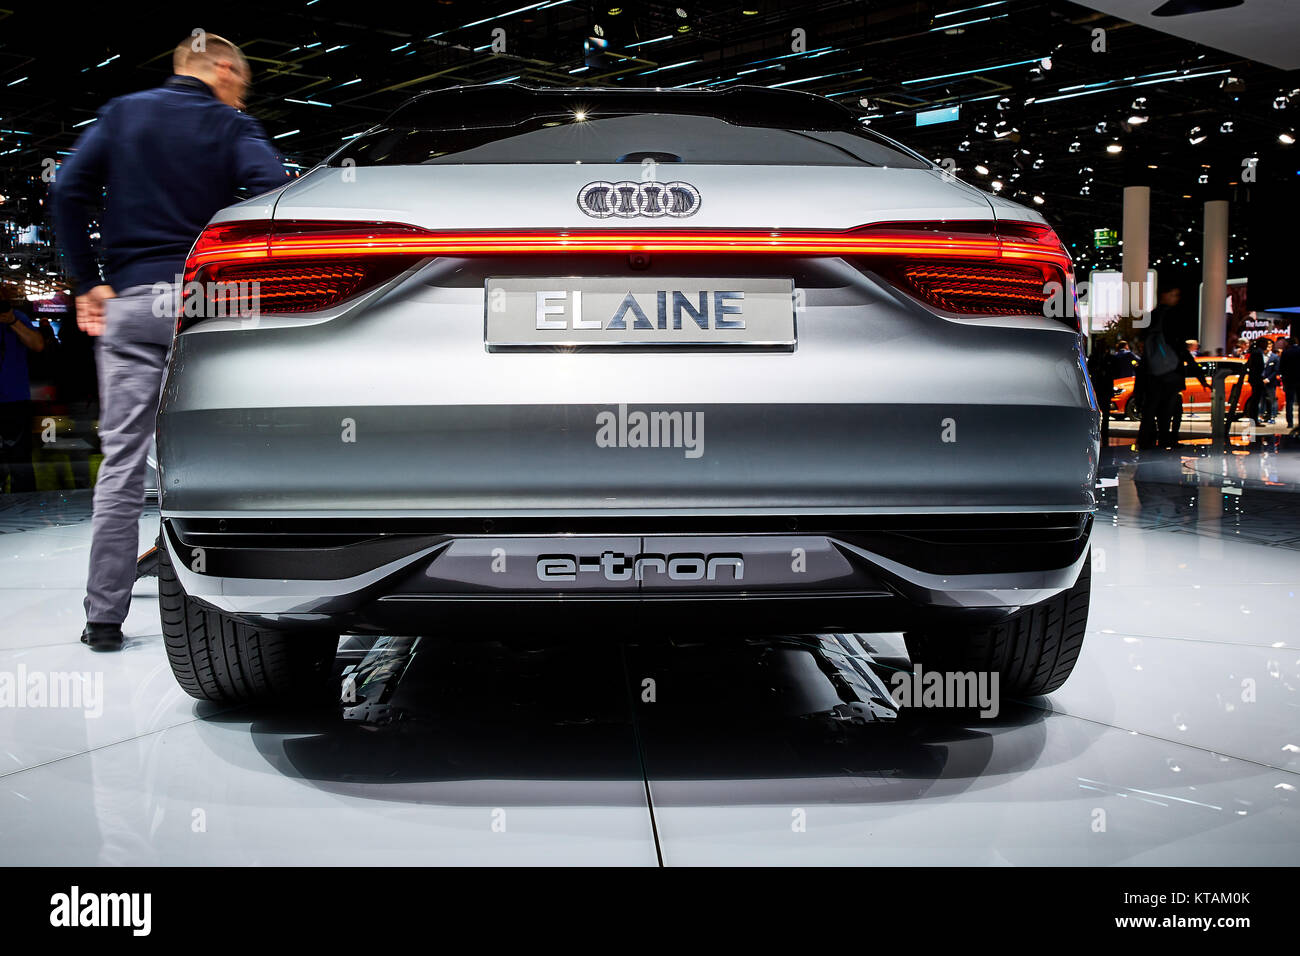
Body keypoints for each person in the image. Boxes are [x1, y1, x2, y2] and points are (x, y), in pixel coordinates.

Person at [51, 32, 286, 651]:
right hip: (206, 303)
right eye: (241, 80)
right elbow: (273, 192)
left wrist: (85, 281)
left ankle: (103, 618)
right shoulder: (233, 126)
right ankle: (249, 601)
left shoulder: (122, 114)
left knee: (122, 464)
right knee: (237, 450)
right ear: (225, 69)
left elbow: (67, 190)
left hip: (129, 304)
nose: (241, 91)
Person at [1137, 285, 1208, 450]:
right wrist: (1199, 375)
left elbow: (1145, 349)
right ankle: (1164, 441)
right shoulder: (1173, 317)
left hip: (1152, 373)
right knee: (1166, 411)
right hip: (1170, 373)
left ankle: (1145, 441)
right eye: (1174, 294)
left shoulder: (1149, 317)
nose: (1176, 298)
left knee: (1150, 409)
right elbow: (1180, 349)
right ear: (1165, 294)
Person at [0, 283, 46, 492]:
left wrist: (12, 321)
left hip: (14, 399)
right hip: (14, 397)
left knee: (19, 459)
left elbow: (37, 344)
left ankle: (25, 501)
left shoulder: (16, 317)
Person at [1244, 337, 1268, 426]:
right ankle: (1254, 420)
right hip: (1256, 379)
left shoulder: (1256, 352)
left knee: (1255, 400)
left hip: (1256, 379)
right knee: (1255, 401)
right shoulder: (1257, 353)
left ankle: (1254, 420)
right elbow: (1257, 368)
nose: (1266, 345)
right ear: (1261, 344)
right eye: (1265, 343)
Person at [1280, 337, 1300, 431]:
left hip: (1289, 380)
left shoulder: (1286, 352)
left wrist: (1283, 378)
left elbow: (1282, 367)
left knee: (1289, 402)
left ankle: (1290, 423)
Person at [1261, 338, 1280, 424]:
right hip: (1261, 381)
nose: (1267, 348)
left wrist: (1268, 379)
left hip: (1270, 382)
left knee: (1272, 400)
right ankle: (1262, 416)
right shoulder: (1261, 356)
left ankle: (1272, 416)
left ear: (1271, 347)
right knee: (1262, 400)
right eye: (1266, 346)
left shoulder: (1275, 357)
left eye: (1269, 346)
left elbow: (1276, 370)